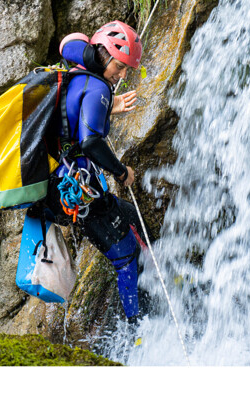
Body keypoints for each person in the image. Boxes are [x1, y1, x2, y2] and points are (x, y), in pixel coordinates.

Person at [30, 21, 152, 322]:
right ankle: (136, 332)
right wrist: (122, 172)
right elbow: (91, 141)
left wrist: (107, 108)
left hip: (58, 185)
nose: (123, 75)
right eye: (121, 67)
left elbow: (71, 118)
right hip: (75, 192)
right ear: (105, 54)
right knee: (124, 259)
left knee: (129, 215)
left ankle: (155, 276)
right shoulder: (97, 86)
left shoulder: (76, 71)